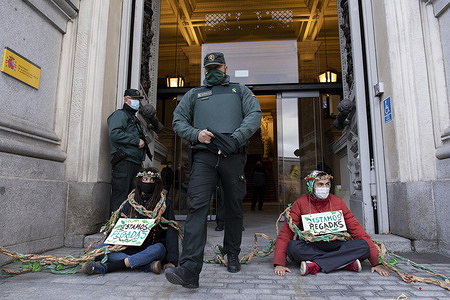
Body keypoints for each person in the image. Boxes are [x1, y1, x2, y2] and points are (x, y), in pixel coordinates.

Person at [165, 52, 262, 288]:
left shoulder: (240, 91)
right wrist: (196, 134)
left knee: (233, 206)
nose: (213, 71)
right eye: (209, 68)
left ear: (226, 67)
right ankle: (189, 269)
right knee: (197, 207)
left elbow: (254, 115)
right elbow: (178, 121)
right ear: (205, 71)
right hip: (204, 156)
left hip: (232, 155)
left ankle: (232, 253)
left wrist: (236, 138)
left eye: (217, 66)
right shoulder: (194, 94)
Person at [273, 170, 390, 277]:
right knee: (293, 247)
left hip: (336, 245)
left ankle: (315, 265)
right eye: (320, 184)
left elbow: (357, 230)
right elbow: (286, 233)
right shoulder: (300, 203)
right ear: (311, 186)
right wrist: (279, 263)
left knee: (363, 246)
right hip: (311, 246)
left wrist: (376, 263)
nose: (324, 188)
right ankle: (345, 263)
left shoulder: (338, 202)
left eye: (327, 184)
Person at [81, 168, 179, 275]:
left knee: (158, 249)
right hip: (129, 248)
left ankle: (108, 267)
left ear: (157, 183)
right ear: (139, 182)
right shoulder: (130, 202)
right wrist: (111, 242)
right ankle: (145, 264)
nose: (148, 183)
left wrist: (171, 260)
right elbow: (118, 225)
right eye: (145, 179)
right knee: (101, 249)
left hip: (151, 246)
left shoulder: (164, 204)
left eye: (152, 181)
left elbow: (171, 230)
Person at [107, 89, 146, 213]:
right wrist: (136, 140)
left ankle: (126, 226)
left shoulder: (134, 119)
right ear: (126, 99)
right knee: (121, 195)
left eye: (138, 100)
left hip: (133, 161)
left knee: (132, 196)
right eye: (133, 99)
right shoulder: (120, 115)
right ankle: (114, 226)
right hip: (124, 161)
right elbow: (115, 134)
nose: (136, 102)